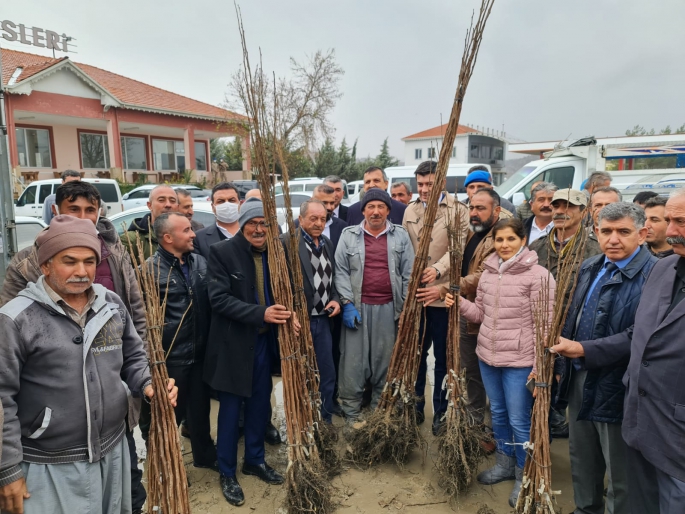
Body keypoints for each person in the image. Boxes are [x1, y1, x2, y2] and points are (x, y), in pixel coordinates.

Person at [0, 215, 177, 514]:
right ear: (45, 265)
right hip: (48, 462)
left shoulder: (110, 304)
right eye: (69, 261)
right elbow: (2, 399)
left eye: (89, 261)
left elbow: (133, 356)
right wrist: (8, 470)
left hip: (112, 449)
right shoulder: (16, 319)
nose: (82, 272)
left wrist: (148, 384)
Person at [556, 190, 685, 514]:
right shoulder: (591, 266)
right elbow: (575, 315)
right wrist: (562, 362)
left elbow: (640, 336)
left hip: (622, 384)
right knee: (581, 455)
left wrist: (586, 349)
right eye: (606, 231)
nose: (613, 239)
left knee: (621, 471)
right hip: (580, 375)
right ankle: (586, 509)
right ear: (596, 231)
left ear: (642, 234)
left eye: (623, 232)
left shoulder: (654, 274)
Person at [445, 217, 555, 507]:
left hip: (520, 360)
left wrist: (539, 366)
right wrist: (459, 304)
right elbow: (480, 314)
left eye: (510, 239)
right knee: (500, 416)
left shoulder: (539, 276)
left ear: (523, 241)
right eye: (499, 239)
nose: (504, 245)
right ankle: (504, 464)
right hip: (488, 357)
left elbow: (545, 327)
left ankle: (523, 474)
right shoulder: (489, 273)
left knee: (520, 420)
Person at [204, 200, 287, 507]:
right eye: (252, 222)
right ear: (242, 224)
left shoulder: (276, 254)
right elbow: (219, 300)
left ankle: (255, 459)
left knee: (259, 404)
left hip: (265, 343)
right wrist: (260, 313)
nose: (258, 229)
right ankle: (227, 471)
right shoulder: (223, 253)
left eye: (265, 223)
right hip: (233, 345)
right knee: (229, 410)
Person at [144, 213, 217, 471]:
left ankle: (205, 457)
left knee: (199, 413)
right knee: (168, 416)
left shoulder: (199, 262)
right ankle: (167, 468)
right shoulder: (148, 270)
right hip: (171, 358)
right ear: (168, 237)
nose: (193, 234)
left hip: (200, 353)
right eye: (186, 230)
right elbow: (142, 318)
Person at [335, 189, 414, 421]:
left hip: (389, 309)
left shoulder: (400, 236)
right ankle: (352, 413)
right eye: (371, 207)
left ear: (388, 210)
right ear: (363, 210)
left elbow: (408, 273)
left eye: (381, 207)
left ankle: (380, 415)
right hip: (357, 310)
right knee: (353, 363)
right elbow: (340, 271)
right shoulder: (349, 235)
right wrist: (347, 303)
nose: (376, 211)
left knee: (384, 362)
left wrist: (406, 308)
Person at [403, 161, 469, 434]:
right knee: (416, 355)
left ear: (441, 182)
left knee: (443, 358)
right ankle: (416, 407)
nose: (425, 189)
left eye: (430, 184)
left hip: (442, 298)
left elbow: (459, 248)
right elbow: (406, 248)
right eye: (420, 184)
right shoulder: (411, 209)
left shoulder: (457, 211)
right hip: (417, 297)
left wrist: (437, 270)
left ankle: (441, 412)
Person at [529, 188, 602, 438]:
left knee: (572, 391)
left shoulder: (595, 250)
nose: (560, 211)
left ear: (584, 212)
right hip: (539, 330)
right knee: (539, 391)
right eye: (557, 205)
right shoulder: (537, 247)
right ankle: (542, 434)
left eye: (569, 206)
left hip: (576, 333)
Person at [455, 188, 511, 445]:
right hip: (467, 312)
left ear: (496, 211)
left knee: (492, 375)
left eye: (481, 208)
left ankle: (494, 431)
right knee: (470, 373)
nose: (474, 213)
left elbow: (484, 274)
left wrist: (453, 286)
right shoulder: (470, 232)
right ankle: (476, 427)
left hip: (491, 318)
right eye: (472, 208)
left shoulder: (502, 237)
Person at [282, 200, 340, 422]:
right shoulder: (286, 243)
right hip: (299, 321)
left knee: (327, 373)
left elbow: (333, 279)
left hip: (323, 320)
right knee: (301, 374)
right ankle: (302, 421)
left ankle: (324, 422)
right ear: (301, 218)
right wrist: (290, 312)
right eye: (313, 218)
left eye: (322, 219)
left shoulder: (326, 242)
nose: (318, 223)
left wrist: (335, 299)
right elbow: (279, 284)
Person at [122, 185, 179, 262]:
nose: (168, 205)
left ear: (177, 207)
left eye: (172, 201)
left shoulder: (188, 236)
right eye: (161, 200)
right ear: (149, 205)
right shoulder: (132, 240)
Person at [194, 182, 241, 259]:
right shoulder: (199, 238)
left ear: (240, 203)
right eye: (221, 201)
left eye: (231, 200)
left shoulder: (251, 232)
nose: (227, 205)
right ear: (213, 207)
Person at [309, 185, 348, 250]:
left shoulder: (342, 227)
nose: (329, 207)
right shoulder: (297, 226)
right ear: (312, 201)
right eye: (324, 203)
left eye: (332, 203)